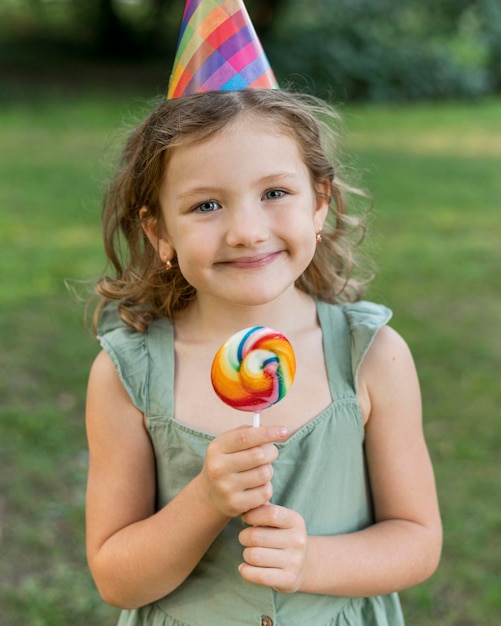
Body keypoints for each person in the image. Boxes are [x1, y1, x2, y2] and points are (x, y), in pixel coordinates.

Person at [85, 87, 441, 626]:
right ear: (159, 231)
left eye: (275, 192)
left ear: (319, 202)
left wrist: (310, 561)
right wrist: (205, 500)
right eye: (206, 205)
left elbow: (417, 540)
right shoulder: (127, 375)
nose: (247, 232)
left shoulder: (372, 356)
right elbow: (117, 580)